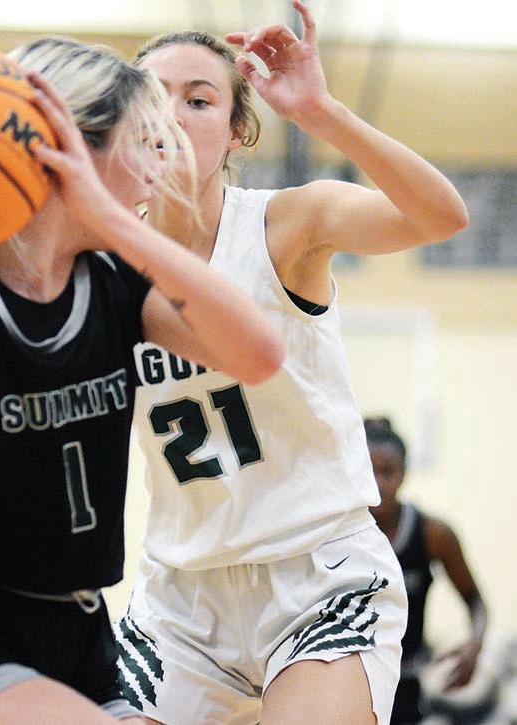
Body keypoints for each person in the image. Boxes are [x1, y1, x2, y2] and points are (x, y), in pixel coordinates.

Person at [0, 38, 284, 725]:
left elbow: (260, 354)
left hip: (77, 632)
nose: (161, 164)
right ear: (71, 148)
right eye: (145, 142)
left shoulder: (115, 280)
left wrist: (115, 223)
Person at [114, 2, 469, 724]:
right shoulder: (104, 258)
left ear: (237, 130)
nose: (173, 115)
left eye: (199, 100)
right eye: (154, 98)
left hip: (319, 578)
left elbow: (442, 217)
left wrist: (322, 114)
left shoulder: (286, 225)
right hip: (181, 597)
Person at [364, 417, 488, 724]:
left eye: (388, 472)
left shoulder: (433, 534)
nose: (378, 484)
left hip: (408, 678)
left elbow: (475, 601)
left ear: (404, 472)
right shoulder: (338, 533)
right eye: (369, 472)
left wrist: (474, 645)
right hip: (353, 675)